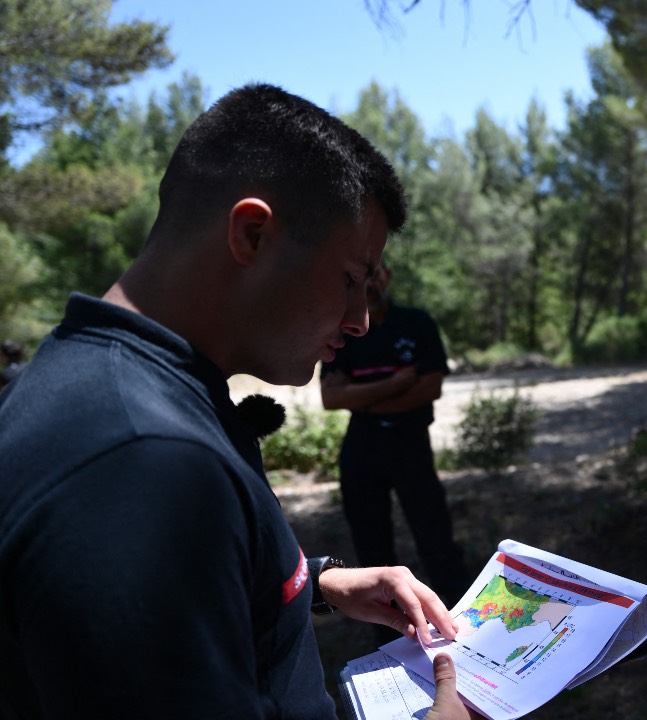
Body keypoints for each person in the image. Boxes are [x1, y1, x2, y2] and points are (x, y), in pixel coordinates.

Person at [0, 84, 472, 719]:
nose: (361, 319)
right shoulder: (138, 465)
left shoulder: (125, 392)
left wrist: (314, 581)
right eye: (351, 279)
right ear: (253, 235)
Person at [320, 261, 472, 618]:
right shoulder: (346, 329)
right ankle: (389, 629)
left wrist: (364, 396)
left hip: (411, 445)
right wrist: (395, 385)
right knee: (371, 545)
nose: (368, 284)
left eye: (374, 274)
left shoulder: (417, 323)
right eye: (359, 277)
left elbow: (430, 387)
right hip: (362, 447)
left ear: (386, 276)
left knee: (435, 537)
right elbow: (332, 397)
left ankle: (460, 620)